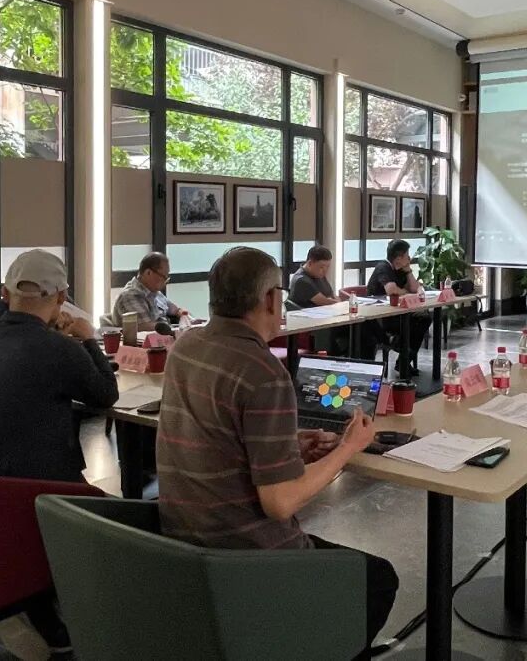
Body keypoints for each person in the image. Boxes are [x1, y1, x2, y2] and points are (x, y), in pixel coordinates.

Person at [157, 247, 398, 658]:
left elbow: (221, 434)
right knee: (378, 578)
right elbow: (281, 502)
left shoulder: (186, 346)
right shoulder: (263, 372)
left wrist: (287, 440)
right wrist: (347, 448)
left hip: (183, 538)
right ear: (270, 299)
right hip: (247, 555)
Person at [0, 249, 118, 483]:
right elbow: (107, 394)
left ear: (5, 294)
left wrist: (54, 335)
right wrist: (88, 338)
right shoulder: (59, 348)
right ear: (62, 297)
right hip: (31, 489)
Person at [366, 239, 430, 376]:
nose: (409, 258)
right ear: (399, 258)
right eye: (407, 255)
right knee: (414, 324)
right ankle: (397, 346)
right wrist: (405, 292)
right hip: (380, 317)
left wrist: (408, 271)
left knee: (424, 318)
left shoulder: (401, 269)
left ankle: (403, 360)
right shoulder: (383, 267)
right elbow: (391, 290)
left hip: (397, 313)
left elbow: (415, 288)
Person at [111, 252, 180, 331]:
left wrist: (183, 315)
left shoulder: (154, 292)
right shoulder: (131, 295)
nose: (165, 282)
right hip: (151, 336)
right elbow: (145, 327)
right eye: (164, 277)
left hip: (166, 334)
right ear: (148, 273)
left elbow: (174, 309)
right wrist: (177, 330)